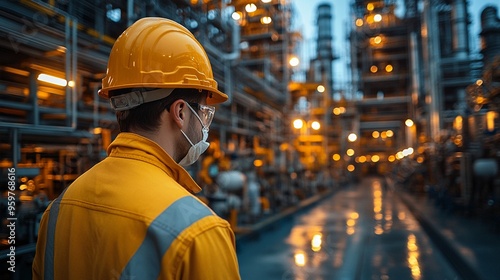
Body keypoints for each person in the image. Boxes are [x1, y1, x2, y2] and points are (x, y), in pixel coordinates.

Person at [32, 17, 241, 279]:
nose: (204, 127)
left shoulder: (57, 212)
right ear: (180, 112)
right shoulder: (199, 232)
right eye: (205, 114)